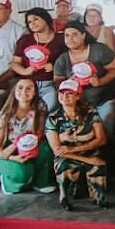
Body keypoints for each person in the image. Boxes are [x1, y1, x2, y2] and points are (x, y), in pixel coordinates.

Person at [46, 79, 109, 210]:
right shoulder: (52, 119)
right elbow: (57, 150)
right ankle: (65, 199)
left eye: (69, 93)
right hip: (67, 156)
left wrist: (77, 149)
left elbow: (101, 139)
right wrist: (86, 159)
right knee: (63, 165)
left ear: (78, 95)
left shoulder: (91, 113)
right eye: (61, 93)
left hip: (88, 150)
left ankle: (98, 199)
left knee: (98, 166)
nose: (64, 97)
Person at [54, 20, 115, 135]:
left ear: (83, 35)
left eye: (74, 34)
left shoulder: (99, 50)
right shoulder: (62, 59)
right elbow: (57, 81)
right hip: (78, 104)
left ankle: (108, 151)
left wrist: (100, 81)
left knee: (106, 124)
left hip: (105, 99)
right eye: (67, 35)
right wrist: (69, 84)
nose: (70, 38)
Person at [0, 78, 55, 194]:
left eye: (29, 88)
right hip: (5, 152)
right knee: (23, 172)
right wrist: (13, 155)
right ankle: (10, 183)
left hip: (28, 148)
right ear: (14, 91)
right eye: (20, 88)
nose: (24, 91)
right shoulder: (6, 116)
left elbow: (40, 133)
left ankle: (39, 182)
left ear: (35, 92)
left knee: (46, 147)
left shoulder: (40, 107)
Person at [11, 7, 66, 109]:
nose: (33, 23)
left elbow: (69, 61)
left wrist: (55, 66)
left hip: (51, 84)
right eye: (29, 22)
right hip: (28, 84)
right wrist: (25, 71)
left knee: (49, 109)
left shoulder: (61, 39)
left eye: (36, 19)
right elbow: (15, 63)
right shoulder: (25, 40)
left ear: (45, 18)